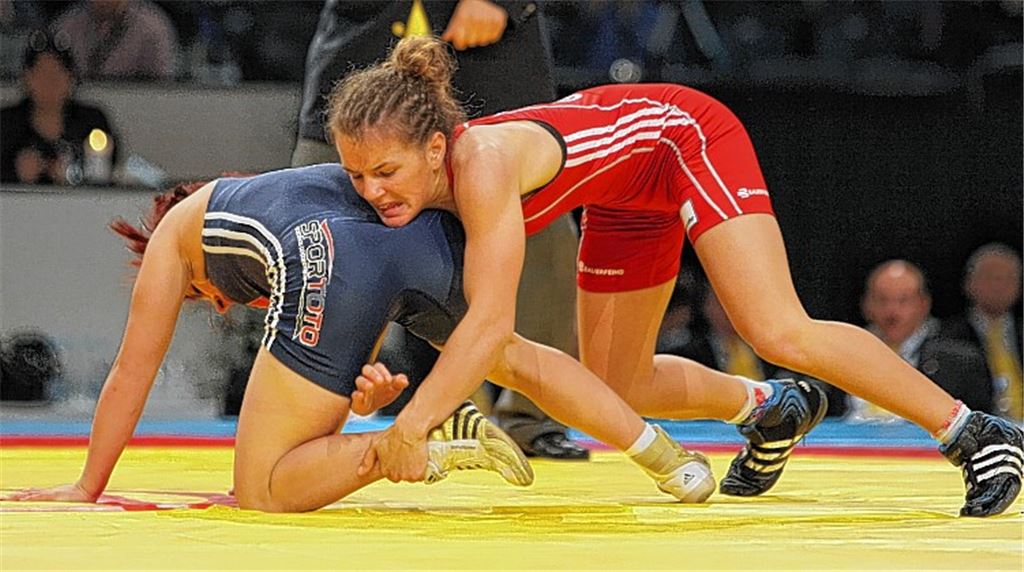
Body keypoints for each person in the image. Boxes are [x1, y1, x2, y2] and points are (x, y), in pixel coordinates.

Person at [326, 35, 1023, 517]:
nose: (373, 191)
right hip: (620, 191)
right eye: (357, 175)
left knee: (775, 325)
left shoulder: (479, 167)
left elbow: (489, 327)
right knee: (617, 380)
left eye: (385, 173)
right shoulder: (412, 188)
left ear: (436, 146)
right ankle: (768, 408)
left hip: (683, 137)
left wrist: (411, 424)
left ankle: (974, 432)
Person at [6, 164, 723, 511]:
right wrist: (367, 374)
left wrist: (86, 485)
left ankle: (402, 448)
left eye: (204, 298)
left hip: (338, 259)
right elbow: (359, 264)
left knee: (260, 489)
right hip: (425, 236)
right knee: (515, 356)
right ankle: (668, 459)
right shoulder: (261, 192)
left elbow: (134, 368)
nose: (222, 306)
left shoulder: (174, 237)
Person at [284, 0, 588, 459]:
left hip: (490, 60)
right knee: (314, 230)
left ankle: (531, 417)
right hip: (365, 43)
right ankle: (302, 407)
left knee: (541, 239)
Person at [852, 260, 994, 421]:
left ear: (923, 304)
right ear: (866, 305)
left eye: (903, 301)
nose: (892, 312)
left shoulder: (960, 362)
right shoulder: (844, 350)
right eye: (882, 300)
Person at [0, 30, 119, 185]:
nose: (50, 83)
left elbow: (108, 172)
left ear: (71, 78)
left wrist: (74, 173)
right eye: (42, 74)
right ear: (27, 78)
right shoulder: (6, 123)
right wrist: (13, 172)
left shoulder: (92, 122)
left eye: (57, 74)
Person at [944, 244, 1023, 422]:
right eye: (990, 278)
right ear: (969, 283)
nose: (998, 286)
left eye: (1007, 278)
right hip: (979, 429)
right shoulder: (947, 338)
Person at [51, 0, 178, 81]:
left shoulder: (152, 28)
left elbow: (162, 87)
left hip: (134, 109)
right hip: (80, 110)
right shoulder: (66, 25)